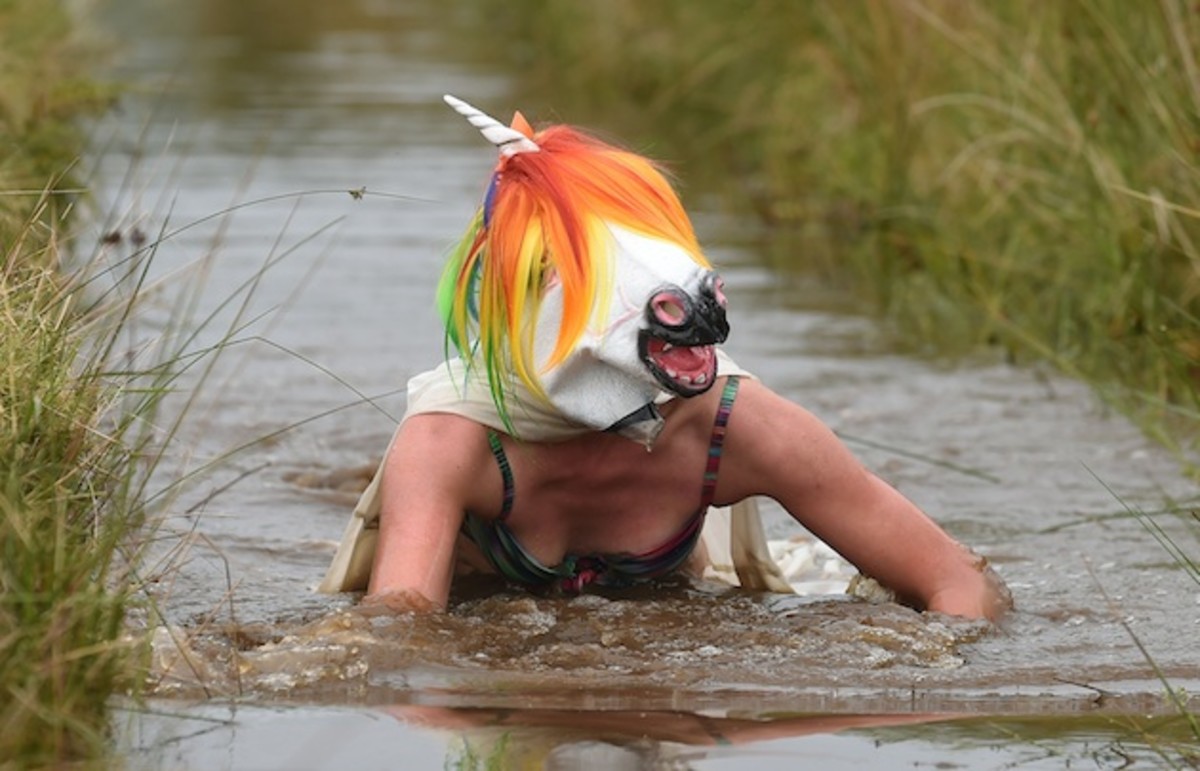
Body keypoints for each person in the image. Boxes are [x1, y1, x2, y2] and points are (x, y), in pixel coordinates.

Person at [319, 96, 1011, 622]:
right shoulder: (450, 443)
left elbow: (958, 583)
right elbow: (398, 651)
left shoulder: (738, 428)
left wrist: (868, 693)